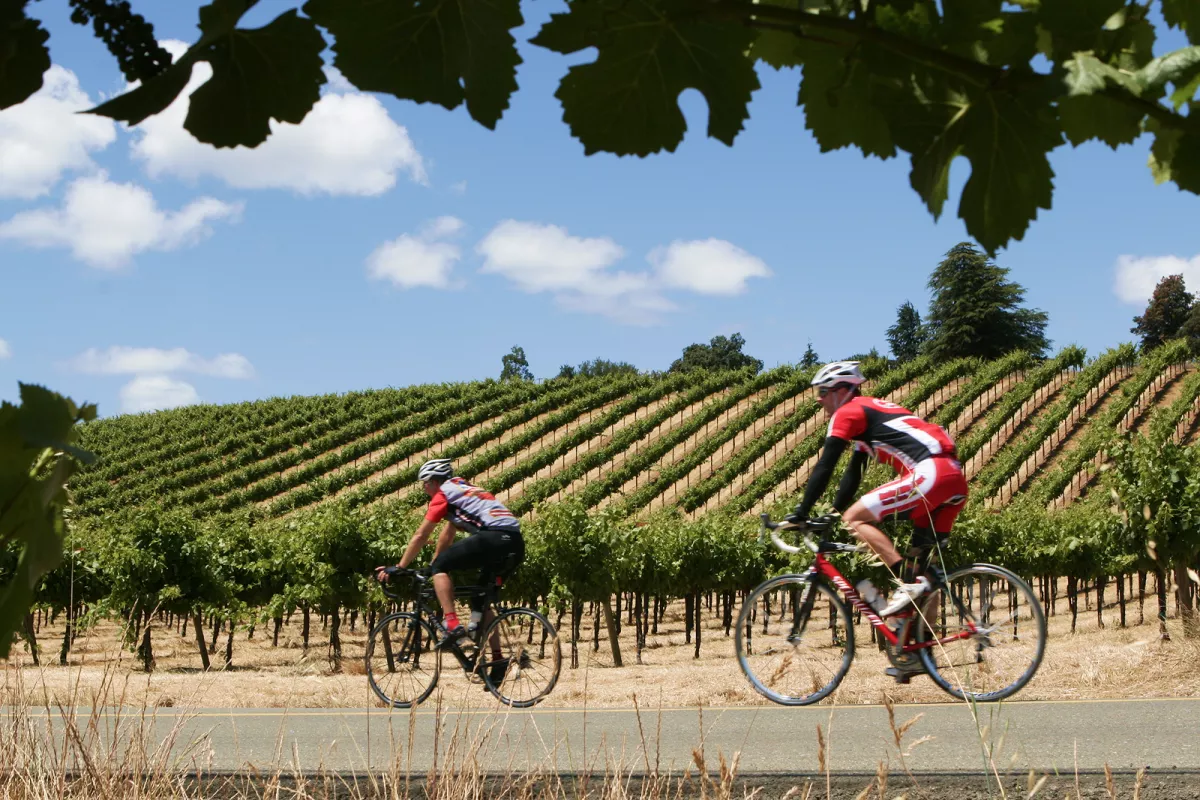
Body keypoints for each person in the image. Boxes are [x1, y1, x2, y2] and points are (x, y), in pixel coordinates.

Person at [786, 361, 968, 616]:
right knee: (922, 570)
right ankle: (922, 649)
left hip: (930, 474)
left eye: (823, 392)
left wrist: (802, 511)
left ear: (842, 391)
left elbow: (826, 465)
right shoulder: (871, 413)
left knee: (854, 519)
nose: (819, 400)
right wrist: (833, 511)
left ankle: (905, 583)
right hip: (953, 478)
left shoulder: (848, 411)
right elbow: (854, 473)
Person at [375, 458, 525, 650]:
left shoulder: (443, 494)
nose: (424, 489)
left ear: (435, 482)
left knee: (441, 566)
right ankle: (497, 662)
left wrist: (400, 567)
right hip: (515, 543)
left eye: (425, 484)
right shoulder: (463, 490)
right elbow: (447, 536)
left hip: (492, 537)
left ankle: (452, 625)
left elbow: (421, 535)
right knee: (481, 597)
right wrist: (434, 564)